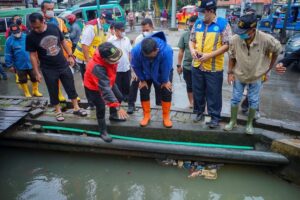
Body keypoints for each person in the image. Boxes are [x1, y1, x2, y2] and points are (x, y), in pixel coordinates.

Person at [225, 13, 281, 134]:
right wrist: (229, 72)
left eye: (244, 32)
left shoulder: (266, 39)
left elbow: (277, 50)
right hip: (239, 74)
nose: (241, 34)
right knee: (235, 98)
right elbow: (231, 56)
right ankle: (232, 121)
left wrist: (268, 69)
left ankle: (249, 124)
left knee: (254, 100)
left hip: (257, 75)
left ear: (252, 30)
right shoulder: (235, 39)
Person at [26, 13, 87, 121]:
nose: (36, 29)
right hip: (47, 68)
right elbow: (32, 55)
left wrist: (70, 56)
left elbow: (63, 41)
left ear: (43, 21)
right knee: (52, 89)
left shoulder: (53, 28)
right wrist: (36, 72)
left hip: (62, 64)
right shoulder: (31, 36)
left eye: (38, 27)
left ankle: (76, 107)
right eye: (33, 27)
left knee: (70, 85)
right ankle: (58, 111)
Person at [189, 0, 232, 128]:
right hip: (197, 65)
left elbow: (227, 45)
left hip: (213, 68)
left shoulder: (223, 24)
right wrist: (192, 50)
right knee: (198, 91)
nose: (201, 15)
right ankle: (199, 112)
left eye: (203, 12)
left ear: (211, 11)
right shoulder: (197, 23)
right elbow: (192, 40)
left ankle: (214, 117)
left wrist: (209, 55)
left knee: (213, 94)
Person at [84, 42, 129, 142]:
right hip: (94, 87)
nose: (117, 61)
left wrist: (116, 103)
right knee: (101, 107)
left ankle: (113, 115)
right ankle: (103, 131)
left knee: (119, 97)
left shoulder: (109, 55)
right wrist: (117, 107)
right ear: (104, 59)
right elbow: (105, 89)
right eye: (115, 60)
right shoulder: (97, 67)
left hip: (108, 82)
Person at [131, 32, 173, 128]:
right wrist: (142, 79)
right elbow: (136, 66)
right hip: (146, 71)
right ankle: (146, 115)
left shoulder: (166, 51)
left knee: (167, 90)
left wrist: (165, 81)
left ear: (156, 50)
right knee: (143, 89)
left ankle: (166, 116)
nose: (148, 58)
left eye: (151, 56)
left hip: (161, 71)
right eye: (146, 56)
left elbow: (167, 67)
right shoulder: (136, 50)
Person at [127, 18, 161, 114]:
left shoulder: (159, 37)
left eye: (147, 30)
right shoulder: (139, 39)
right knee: (135, 82)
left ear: (152, 27)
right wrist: (134, 72)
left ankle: (159, 105)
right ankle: (131, 104)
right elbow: (134, 57)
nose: (145, 32)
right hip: (142, 67)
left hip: (155, 67)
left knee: (159, 85)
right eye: (143, 30)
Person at [41, 0, 73, 102]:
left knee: (68, 76)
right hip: (47, 57)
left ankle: (72, 95)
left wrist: (69, 54)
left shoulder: (59, 21)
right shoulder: (39, 22)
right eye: (48, 9)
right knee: (53, 79)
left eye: (52, 9)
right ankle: (58, 94)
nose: (51, 11)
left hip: (61, 54)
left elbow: (67, 38)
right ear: (43, 10)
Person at [73, 14, 107, 109]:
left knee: (95, 81)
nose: (107, 23)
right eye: (107, 21)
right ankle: (91, 103)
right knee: (88, 82)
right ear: (102, 19)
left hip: (93, 59)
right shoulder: (91, 27)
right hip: (85, 60)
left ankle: (96, 101)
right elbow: (84, 45)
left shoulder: (100, 27)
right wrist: (88, 62)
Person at [5, 24, 42, 97]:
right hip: (19, 65)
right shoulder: (9, 40)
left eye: (17, 31)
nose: (16, 34)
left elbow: (35, 49)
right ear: (11, 32)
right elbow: (8, 54)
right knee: (22, 79)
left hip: (31, 63)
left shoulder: (27, 37)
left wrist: (38, 59)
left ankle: (35, 91)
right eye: (14, 32)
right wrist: (9, 65)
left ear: (20, 29)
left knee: (34, 78)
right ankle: (26, 92)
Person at [108, 22, 132, 102]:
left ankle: (127, 98)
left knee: (127, 85)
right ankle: (118, 100)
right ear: (116, 30)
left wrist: (131, 66)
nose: (123, 31)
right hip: (116, 69)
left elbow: (129, 52)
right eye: (122, 30)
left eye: (124, 29)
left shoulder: (126, 39)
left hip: (126, 68)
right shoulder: (111, 41)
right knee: (118, 86)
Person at [177, 16, 198, 109]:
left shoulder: (202, 35)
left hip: (200, 66)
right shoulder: (185, 35)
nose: (191, 26)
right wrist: (178, 65)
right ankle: (191, 102)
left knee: (199, 86)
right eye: (190, 24)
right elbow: (181, 51)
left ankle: (200, 104)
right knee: (189, 85)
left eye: (193, 25)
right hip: (187, 66)